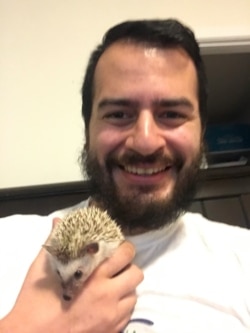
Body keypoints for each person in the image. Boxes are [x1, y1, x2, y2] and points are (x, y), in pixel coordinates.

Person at [0, 18, 250, 333]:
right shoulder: (6, 243)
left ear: (202, 131)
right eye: (118, 114)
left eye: (172, 114)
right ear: (88, 128)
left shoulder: (243, 262)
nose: (145, 142)